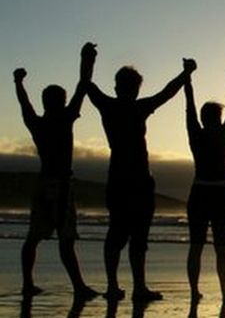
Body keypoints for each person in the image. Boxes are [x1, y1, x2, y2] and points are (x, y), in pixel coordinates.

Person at [87, 53, 197, 302]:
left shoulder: (110, 105)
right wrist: (186, 73)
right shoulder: (132, 107)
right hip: (134, 180)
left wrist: (89, 60)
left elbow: (86, 84)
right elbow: (167, 93)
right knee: (132, 236)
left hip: (124, 180)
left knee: (122, 233)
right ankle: (131, 287)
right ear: (130, 88)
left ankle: (121, 286)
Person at [13, 42, 98, 300]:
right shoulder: (65, 117)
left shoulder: (36, 122)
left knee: (34, 236)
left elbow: (24, 104)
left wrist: (18, 82)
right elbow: (83, 85)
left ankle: (28, 283)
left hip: (43, 182)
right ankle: (79, 287)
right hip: (60, 184)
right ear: (60, 102)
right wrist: (87, 58)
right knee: (65, 237)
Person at [184, 64, 225, 304]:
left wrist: (188, 79)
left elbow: (189, 107)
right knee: (220, 247)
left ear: (203, 118)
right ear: (218, 118)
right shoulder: (222, 133)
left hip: (200, 192)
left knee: (197, 246)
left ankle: (195, 292)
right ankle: (224, 293)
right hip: (219, 193)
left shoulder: (196, 133)